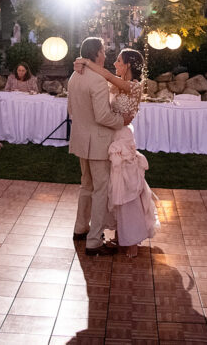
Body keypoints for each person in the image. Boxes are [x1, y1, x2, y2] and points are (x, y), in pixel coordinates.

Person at [75, 49, 159, 258]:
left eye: (119, 60)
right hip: (111, 136)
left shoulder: (133, 86)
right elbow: (101, 82)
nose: (114, 63)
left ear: (128, 64)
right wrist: (81, 65)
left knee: (127, 187)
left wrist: (85, 60)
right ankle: (121, 233)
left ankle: (131, 238)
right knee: (114, 187)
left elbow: (106, 75)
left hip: (122, 138)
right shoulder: (116, 85)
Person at [68, 37, 123, 256]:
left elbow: (71, 108)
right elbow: (102, 116)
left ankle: (80, 228)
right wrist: (120, 121)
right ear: (95, 54)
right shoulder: (98, 80)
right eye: (103, 50)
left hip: (81, 138)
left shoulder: (75, 76)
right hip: (98, 141)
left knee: (86, 185)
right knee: (101, 190)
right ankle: (94, 241)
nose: (105, 54)